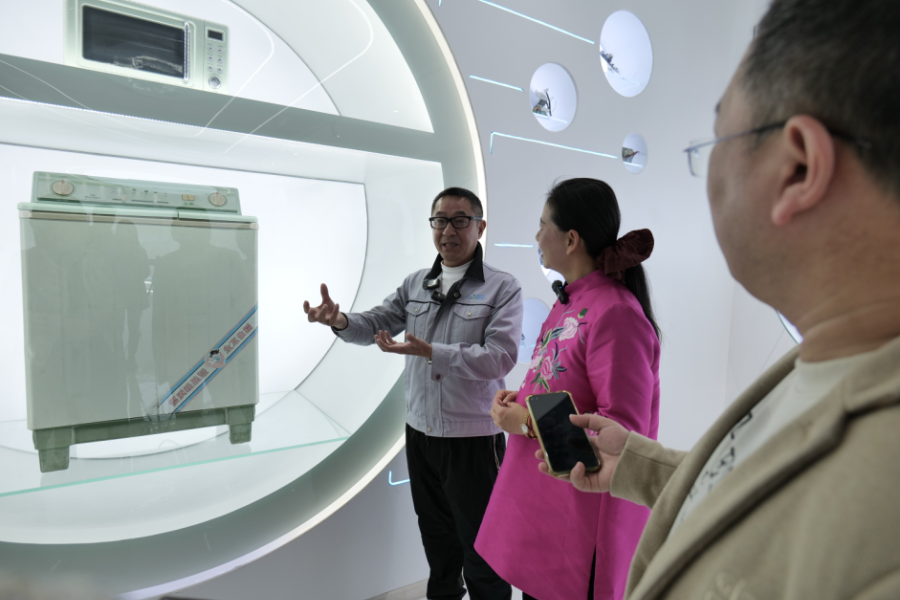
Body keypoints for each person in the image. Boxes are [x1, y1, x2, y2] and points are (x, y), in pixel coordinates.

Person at [537, 2, 900, 599]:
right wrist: (642, 466)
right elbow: (771, 500)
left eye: (717, 139)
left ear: (798, 168)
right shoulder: (826, 362)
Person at [303, 187, 523, 600]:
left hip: (472, 438)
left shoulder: (502, 288)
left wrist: (433, 352)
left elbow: (499, 358)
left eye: (460, 220)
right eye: (440, 220)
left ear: (480, 227)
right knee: (437, 539)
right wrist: (340, 320)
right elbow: (376, 324)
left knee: (483, 547)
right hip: (421, 434)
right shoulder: (416, 284)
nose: (448, 230)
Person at [476, 178, 661, 600]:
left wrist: (525, 421)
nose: (537, 236)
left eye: (543, 225)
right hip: (547, 506)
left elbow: (621, 438)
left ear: (571, 239)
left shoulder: (616, 313)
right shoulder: (574, 301)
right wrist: (523, 399)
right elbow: (566, 387)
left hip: (579, 524)